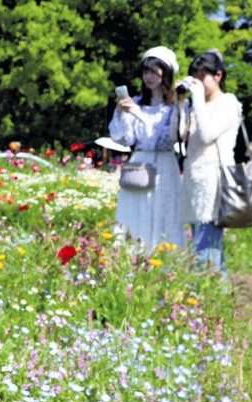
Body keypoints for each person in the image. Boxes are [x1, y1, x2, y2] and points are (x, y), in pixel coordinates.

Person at [108, 46, 186, 251]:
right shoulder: (137, 102)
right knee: (135, 211)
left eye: (154, 72)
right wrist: (123, 113)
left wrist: (138, 114)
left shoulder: (174, 106)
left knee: (163, 211)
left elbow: (169, 138)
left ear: (165, 74)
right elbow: (126, 139)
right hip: (140, 163)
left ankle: (164, 258)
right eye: (146, 72)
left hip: (164, 164)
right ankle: (134, 257)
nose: (149, 77)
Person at [178, 49, 242, 274]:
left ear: (218, 75)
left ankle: (209, 293)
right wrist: (181, 104)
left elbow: (206, 136)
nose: (198, 82)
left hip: (215, 184)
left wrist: (196, 100)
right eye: (195, 76)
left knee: (207, 255)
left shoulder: (228, 103)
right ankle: (211, 293)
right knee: (201, 251)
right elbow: (181, 136)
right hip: (195, 183)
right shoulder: (197, 106)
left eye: (202, 75)